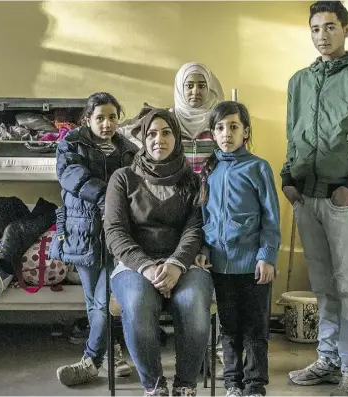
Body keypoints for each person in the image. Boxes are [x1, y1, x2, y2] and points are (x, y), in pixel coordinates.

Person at [281, 2, 348, 396]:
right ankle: (328, 359)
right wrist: (288, 178)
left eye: (330, 27)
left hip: (341, 200)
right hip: (306, 201)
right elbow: (294, 136)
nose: (322, 35)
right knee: (323, 286)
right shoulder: (298, 81)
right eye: (315, 29)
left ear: (345, 29)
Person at [105, 109, 213, 397]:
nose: (158, 139)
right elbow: (115, 232)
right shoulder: (123, 178)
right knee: (139, 303)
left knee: (193, 304)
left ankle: (185, 385)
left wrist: (176, 265)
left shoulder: (192, 180)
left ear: (176, 138)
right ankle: (154, 386)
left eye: (166, 132)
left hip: (184, 263)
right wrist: (147, 268)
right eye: (151, 133)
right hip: (134, 265)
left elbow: (195, 228)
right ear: (142, 138)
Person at [52, 92, 138, 386]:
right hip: (84, 232)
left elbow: (137, 184)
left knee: (110, 299)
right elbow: (72, 177)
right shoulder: (71, 144)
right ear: (88, 118)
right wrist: (110, 198)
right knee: (95, 301)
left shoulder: (128, 149)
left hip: (117, 233)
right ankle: (109, 352)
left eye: (112, 117)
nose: (106, 123)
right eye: (100, 117)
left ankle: (92, 358)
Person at [200, 101, 281, 397]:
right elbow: (206, 220)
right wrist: (206, 252)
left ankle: (255, 384)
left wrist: (267, 256)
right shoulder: (210, 171)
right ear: (212, 133)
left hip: (253, 266)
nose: (227, 134)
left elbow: (271, 217)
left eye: (233, 127)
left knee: (255, 329)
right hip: (221, 266)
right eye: (220, 128)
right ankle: (232, 383)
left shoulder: (258, 168)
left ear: (245, 131)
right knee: (230, 328)